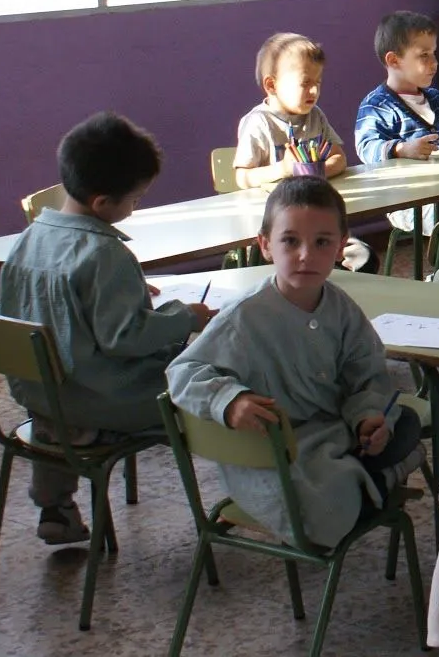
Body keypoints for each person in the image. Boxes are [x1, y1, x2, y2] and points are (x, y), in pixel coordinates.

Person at [166, 177, 424, 547]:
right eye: (290, 241)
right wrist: (228, 401)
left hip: (328, 438)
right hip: (268, 457)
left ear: (341, 246)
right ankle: (380, 478)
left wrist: (367, 416)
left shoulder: (342, 310)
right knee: (325, 508)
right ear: (265, 245)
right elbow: (182, 372)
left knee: (397, 423)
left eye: (322, 242)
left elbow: (366, 373)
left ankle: (370, 472)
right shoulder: (245, 315)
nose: (306, 255)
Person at [0, 112, 211, 544]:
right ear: (101, 203)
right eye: (135, 199)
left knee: (56, 400)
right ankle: (253, 494)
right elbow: (126, 338)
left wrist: (127, 292)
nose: (136, 207)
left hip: (41, 395)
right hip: (101, 397)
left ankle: (55, 504)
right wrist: (183, 316)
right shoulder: (104, 253)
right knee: (198, 379)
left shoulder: (27, 239)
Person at [232, 32, 373, 271]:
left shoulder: (315, 116)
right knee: (313, 265)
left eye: (318, 83)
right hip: (278, 228)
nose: (314, 91)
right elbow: (242, 176)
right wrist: (284, 169)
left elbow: (339, 157)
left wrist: (317, 174)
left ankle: (333, 303)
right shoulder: (258, 123)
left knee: (364, 259)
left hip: (316, 219)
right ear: (271, 85)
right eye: (305, 83)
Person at [355, 10, 439, 239]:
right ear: (394, 60)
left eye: (434, 54)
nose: (434, 63)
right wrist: (400, 149)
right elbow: (366, 147)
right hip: (407, 200)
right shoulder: (377, 106)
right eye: (424, 55)